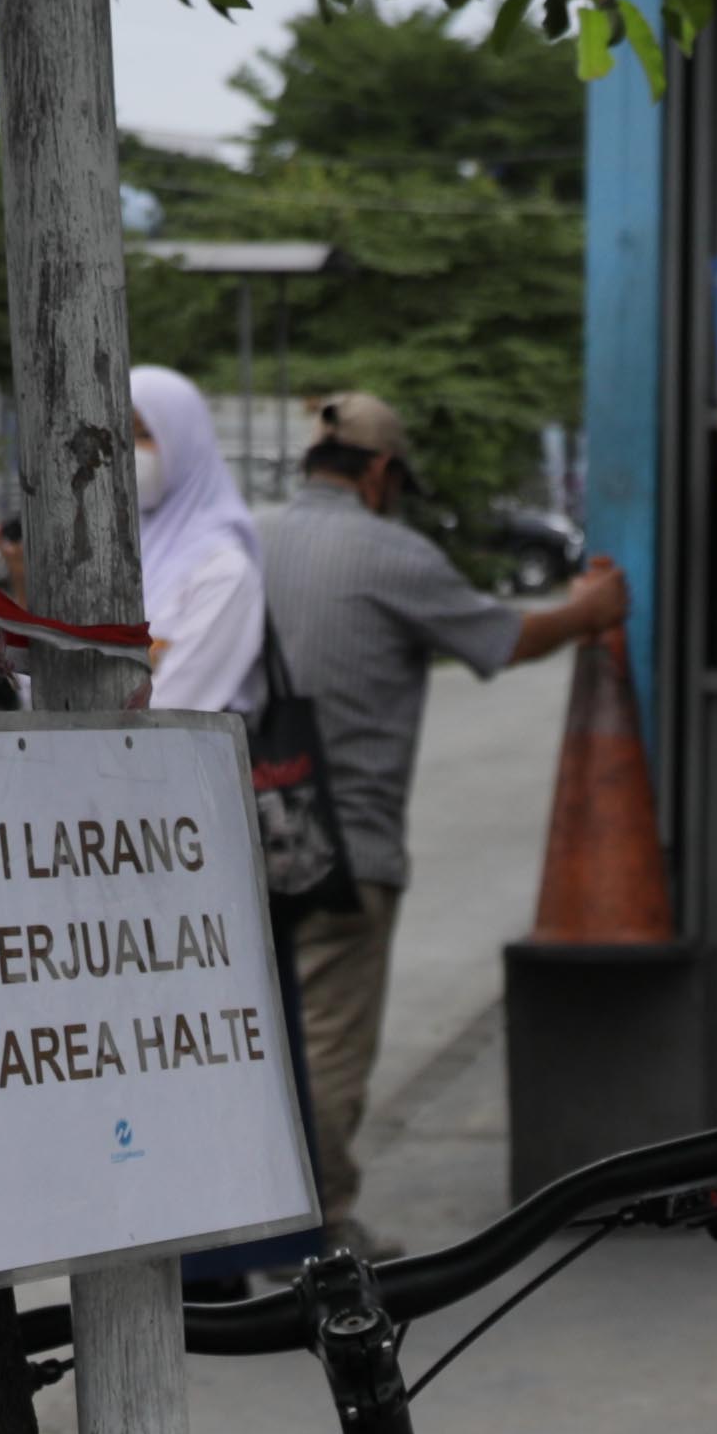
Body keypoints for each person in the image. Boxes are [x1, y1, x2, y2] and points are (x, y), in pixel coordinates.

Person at [248, 393, 630, 1221]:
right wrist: (590, 614)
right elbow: (502, 638)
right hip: (347, 846)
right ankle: (315, 1228)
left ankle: (244, 1216)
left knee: (257, 1036)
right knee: (327, 1041)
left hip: (241, 830)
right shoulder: (395, 554)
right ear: (381, 473)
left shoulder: (253, 539)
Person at [131, 365, 264, 721]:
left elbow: (172, 709)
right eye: (115, 437)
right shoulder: (117, 550)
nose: (128, 453)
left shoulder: (224, 570)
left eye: (144, 434)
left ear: (185, 440)